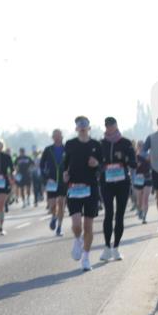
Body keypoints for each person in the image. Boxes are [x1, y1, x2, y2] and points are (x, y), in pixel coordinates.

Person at [62, 116, 103, 271]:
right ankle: (77, 239)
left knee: (88, 226)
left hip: (91, 188)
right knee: (77, 224)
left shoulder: (96, 145)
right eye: (80, 125)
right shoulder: (70, 144)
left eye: (85, 124)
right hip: (73, 188)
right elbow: (65, 165)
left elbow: (103, 166)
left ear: (89, 127)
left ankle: (86, 257)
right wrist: (65, 174)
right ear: (76, 128)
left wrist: (97, 164)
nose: (82, 127)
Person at [98, 117, 137, 261]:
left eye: (111, 125)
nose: (109, 128)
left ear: (116, 126)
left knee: (120, 215)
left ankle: (116, 248)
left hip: (122, 183)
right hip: (106, 182)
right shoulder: (101, 144)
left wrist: (124, 159)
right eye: (107, 126)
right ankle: (107, 247)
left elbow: (134, 164)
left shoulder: (126, 143)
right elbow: (96, 164)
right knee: (109, 213)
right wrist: (101, 167)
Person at [40, 129, 68, 236]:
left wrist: (69, 174)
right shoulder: (48, 150)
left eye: (59, 135)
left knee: (61, 204)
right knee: (52, 205)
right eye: (55, 136)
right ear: (52, 137)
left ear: (62, 136)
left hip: (63, 181)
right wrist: (46, 178)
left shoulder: (67, 149)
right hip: (51, 181)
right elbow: (42, 165)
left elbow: (71, 163)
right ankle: (54, 216)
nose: (57, 137)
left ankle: (59, 227)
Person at [133, 142, 152, 223]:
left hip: (148, 178)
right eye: (139, 145)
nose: (141, 147)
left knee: (145, 199)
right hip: (138, 178)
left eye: (142, 145)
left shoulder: (148, 155)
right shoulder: (134, 156)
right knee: (139, 199)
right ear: (137, 147)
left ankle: (144, 217)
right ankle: (140, 211)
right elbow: (132, 167)